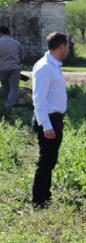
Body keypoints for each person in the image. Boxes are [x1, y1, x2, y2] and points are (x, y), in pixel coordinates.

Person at [32, 32, 69, 208]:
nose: (67, 50)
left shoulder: (53, 65)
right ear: (62, 47)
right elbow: (39, 99)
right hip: (49, 120)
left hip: (54, 119)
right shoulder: (45, 67)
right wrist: (46, 125)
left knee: (50, 160)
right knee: (46, 161)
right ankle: (39, 201)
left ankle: (45, 195)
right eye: (66, 46)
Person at [0, 25, 23, 110]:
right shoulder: (16, 43)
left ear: (1, 32)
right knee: (14, 87)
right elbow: (22, 56)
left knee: (5, 86)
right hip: (14, 68)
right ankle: (9, 105)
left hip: (2, 68)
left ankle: (6, 104)